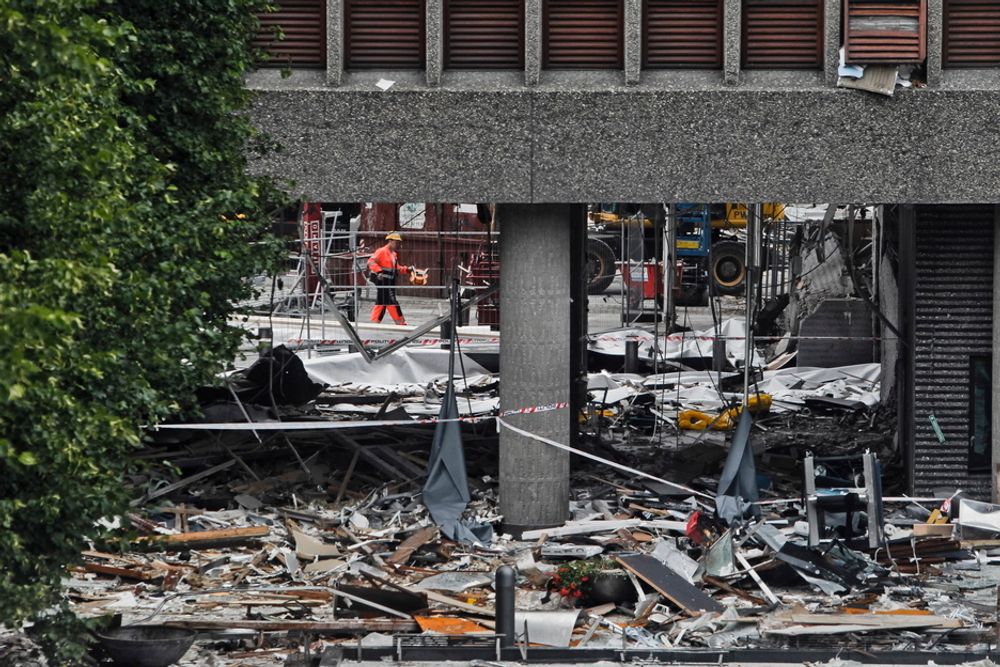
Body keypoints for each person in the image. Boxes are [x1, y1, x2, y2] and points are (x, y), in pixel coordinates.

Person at [367, 231, 410, 325]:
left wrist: (407, 270)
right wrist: (379, 271)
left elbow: (397, 268)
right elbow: (371, 261)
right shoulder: (381, 251)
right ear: (390, 241)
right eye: (396, 241)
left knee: (382, 302)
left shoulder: (393, 254)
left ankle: (374, 322)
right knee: (391, 302)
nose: (397, 244)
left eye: (398, 242)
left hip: (390, 281)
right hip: (382, 281)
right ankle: (401, 323)